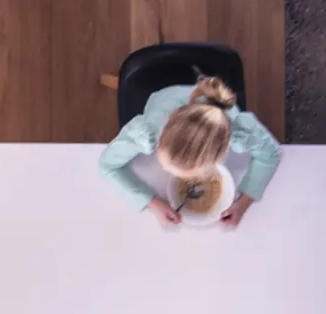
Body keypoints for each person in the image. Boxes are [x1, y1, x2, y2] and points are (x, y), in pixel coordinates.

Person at [98, 76, 282, 226]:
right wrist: (152, 202)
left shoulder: (239, 133)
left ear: (223, 152)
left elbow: (272, 153)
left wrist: (244, 202)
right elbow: (108, 166)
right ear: (160, 141)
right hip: (164, 94)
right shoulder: (147, 132)